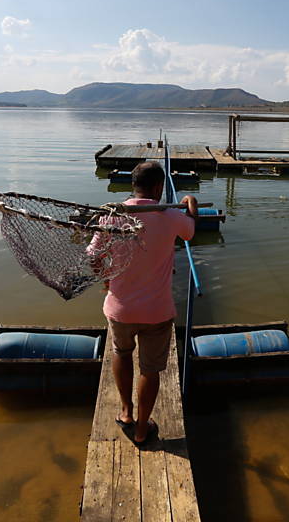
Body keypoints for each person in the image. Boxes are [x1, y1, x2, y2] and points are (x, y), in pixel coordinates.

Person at [105, 161, 197, 446]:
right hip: (157, 311)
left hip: (120, 308)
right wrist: (190, 204)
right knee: (150, 369)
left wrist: (107, 281)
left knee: (121, 353)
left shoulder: (112, 215)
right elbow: (190, 232)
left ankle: (126, 412)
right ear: (159, 188)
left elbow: (93, 255)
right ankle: (142, 429)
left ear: (133, 185)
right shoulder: (171, 216)